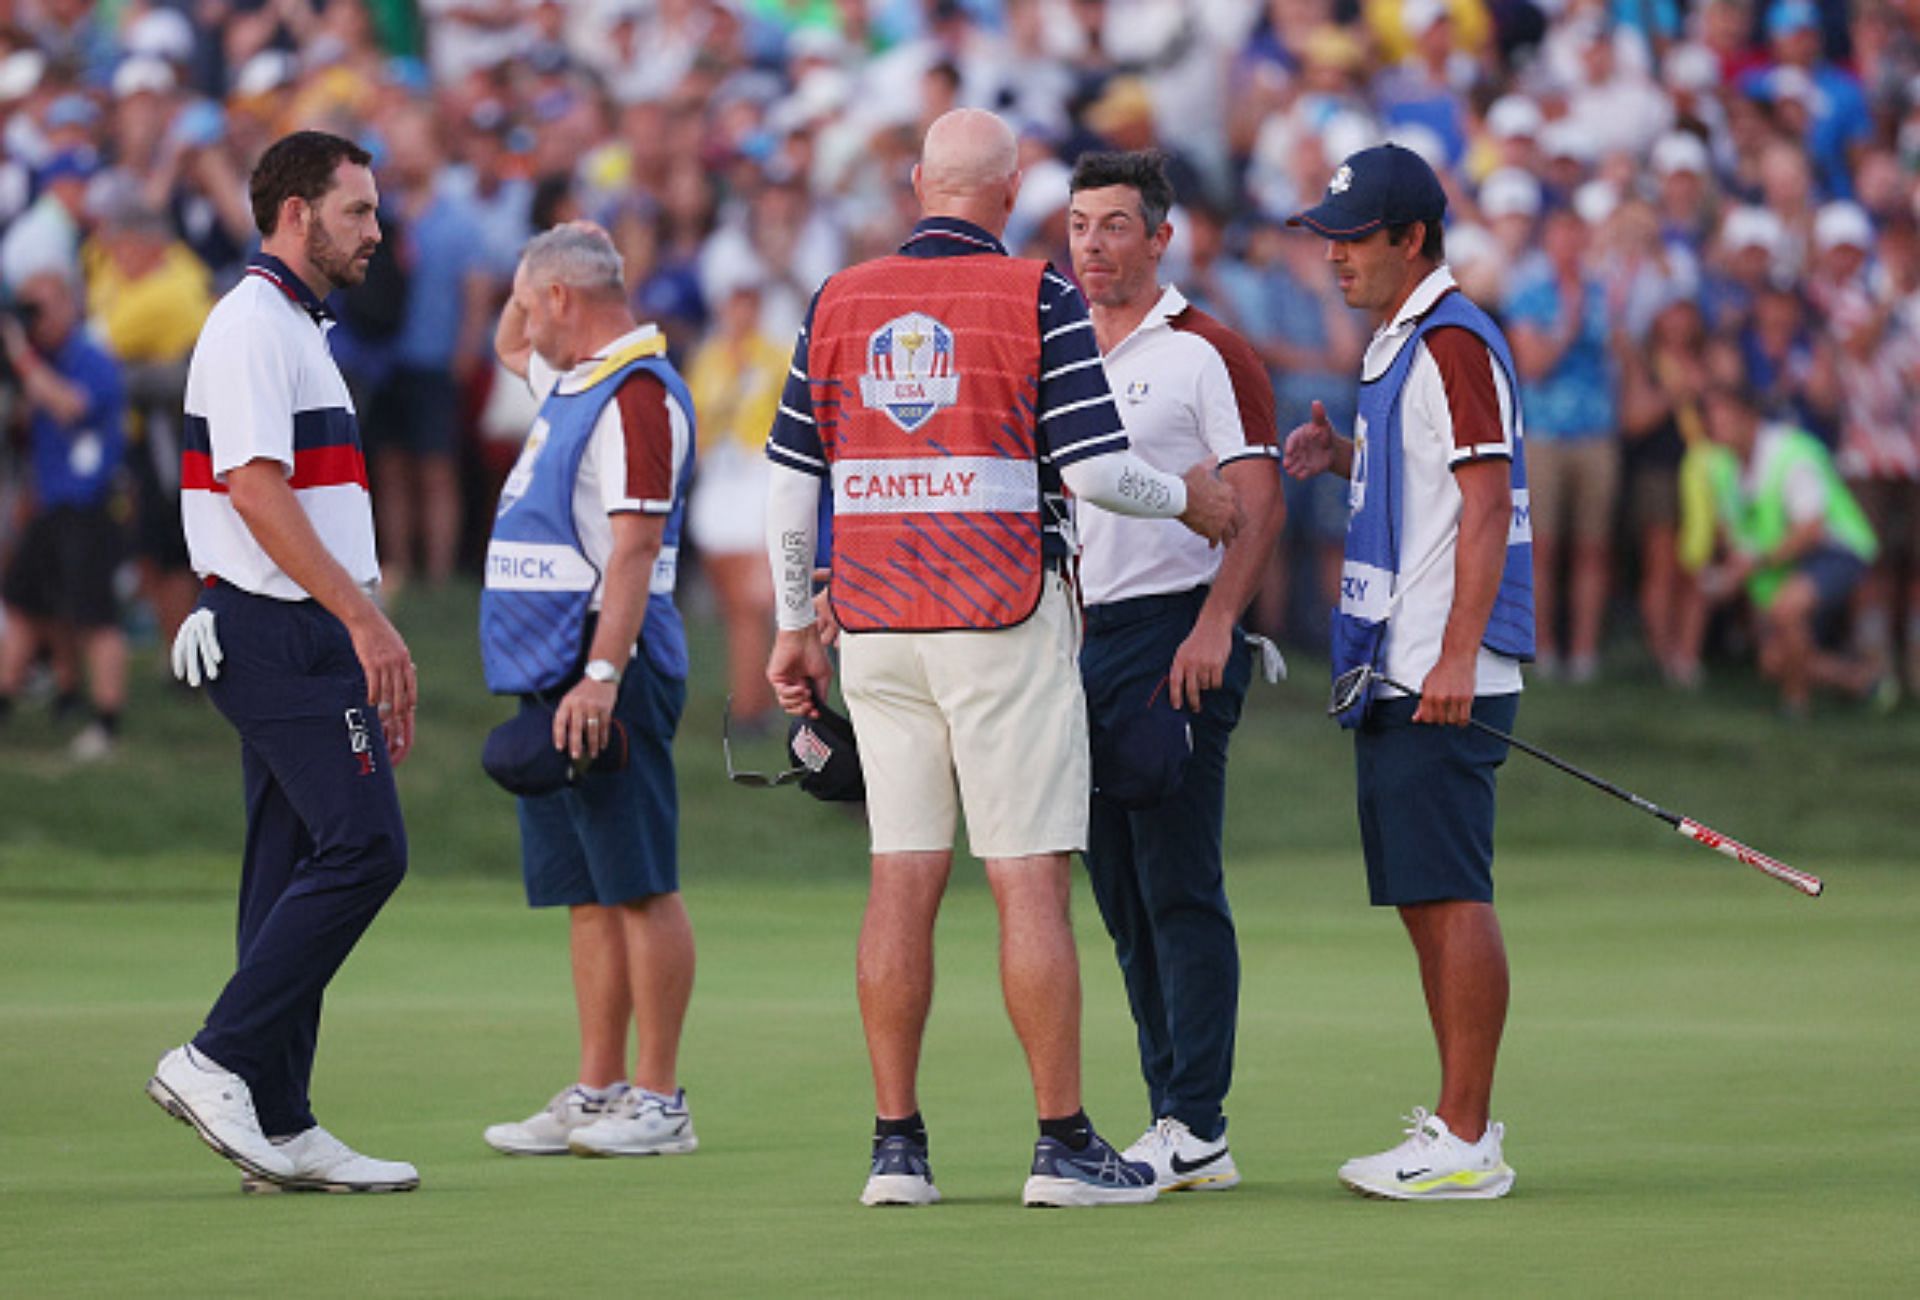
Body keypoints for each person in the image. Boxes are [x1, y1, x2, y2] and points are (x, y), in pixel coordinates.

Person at [763, 108, 1241, 1210]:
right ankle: (1063, 1143)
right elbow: (1097, 470)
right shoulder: (1037, 292)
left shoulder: (839, 296)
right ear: (1012, 189)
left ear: (917, 180)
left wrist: (795, 623)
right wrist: (1195, 500)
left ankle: (897, 1149)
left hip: (877, 627)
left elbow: (793, 476)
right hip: (1000, 612)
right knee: (1028, 878)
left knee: (901, 875)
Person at [150, 130, 418, 1195]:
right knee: (365, 850)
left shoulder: (295, 326)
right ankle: (215, 1059)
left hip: (298, 627)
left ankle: (279, 1116)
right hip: (283, 632)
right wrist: (367, 622)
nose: (376, 230)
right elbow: (254, 492)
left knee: (285, 868)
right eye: (358, 211)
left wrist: (361, 618)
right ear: (297, 214)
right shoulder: (253, 322)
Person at [1283, 143, 1533, 1201]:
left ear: (1411, 239)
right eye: (1328, 238)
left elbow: (1487, 504)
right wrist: (1346, 459)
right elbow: (1431, 483)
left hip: (1442, 665)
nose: (1334, 257)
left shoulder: (1453, 344)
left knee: (1451, 893)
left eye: (1353, 239)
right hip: (1400, 664)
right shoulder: (1397, 347)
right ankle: (1454, 1123)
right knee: (1424, 899)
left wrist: (1459, 655)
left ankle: (1469, 1138)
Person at [1063, 149, 1286, 1193]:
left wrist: (1218, 621)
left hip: (1177, 631)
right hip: (1079, 638)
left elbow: (1254, 496)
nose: (1093, 245)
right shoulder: (1056, 351)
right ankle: (1172, 1115)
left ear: (1160, 238)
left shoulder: (1209, 352)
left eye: (1114, 225)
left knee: (1177, 879)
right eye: (1078, 224)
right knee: (1118, 886)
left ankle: (1197, 1119)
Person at [478, 222, 700, 1159]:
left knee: (639, 882)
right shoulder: (575, 379)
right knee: (585, 891)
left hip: (609, 665)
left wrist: (602, 677)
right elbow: (508, 342)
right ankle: (599, 1086)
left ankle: (660, 1098)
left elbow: (637, 551)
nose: (521, 324)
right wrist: (551, 255)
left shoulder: (635, 396)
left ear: (564, 301)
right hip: (549, 668)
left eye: (535, 302)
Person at [1697, 357, 1881, 717]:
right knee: (1771, 661)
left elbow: (1811, 530)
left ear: (1749, 417)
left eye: (1723, 414)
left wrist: (1754, 564)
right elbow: (1738, 535)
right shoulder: (1720, 467)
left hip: (1837, 548)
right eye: (1711, 415)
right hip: (1783, 558)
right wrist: (1729, 575)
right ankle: (1858, 680)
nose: (1714, 424)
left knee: (1787, 609)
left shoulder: (1791, 452)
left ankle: (1795, 706)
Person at [0, 267, 129, 762]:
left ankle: (107, 721)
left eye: (45, 306)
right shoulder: (42, 360)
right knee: (24, 601)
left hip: (89, 505)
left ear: (72, 305)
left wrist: (21, 354)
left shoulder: (90, 358)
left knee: (95, 617)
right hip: (49, 503)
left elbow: (70, 406)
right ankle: (30, 695)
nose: (38, 318)